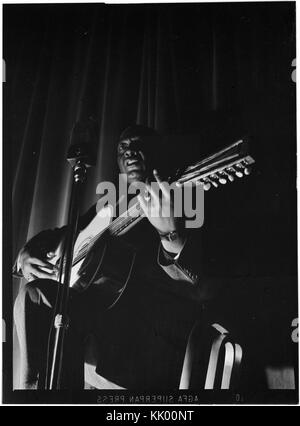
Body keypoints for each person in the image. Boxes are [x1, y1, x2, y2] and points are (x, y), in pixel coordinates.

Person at [13, 125, 220, 390]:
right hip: (101, 321)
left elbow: (204, 289)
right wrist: (25, 254)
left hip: (148, 336)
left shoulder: (182, 197)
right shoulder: (108, 206)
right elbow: (63, 234)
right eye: (123, 147)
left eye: (138, 144)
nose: (130, 151)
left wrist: (171, 233)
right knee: (34, 294)